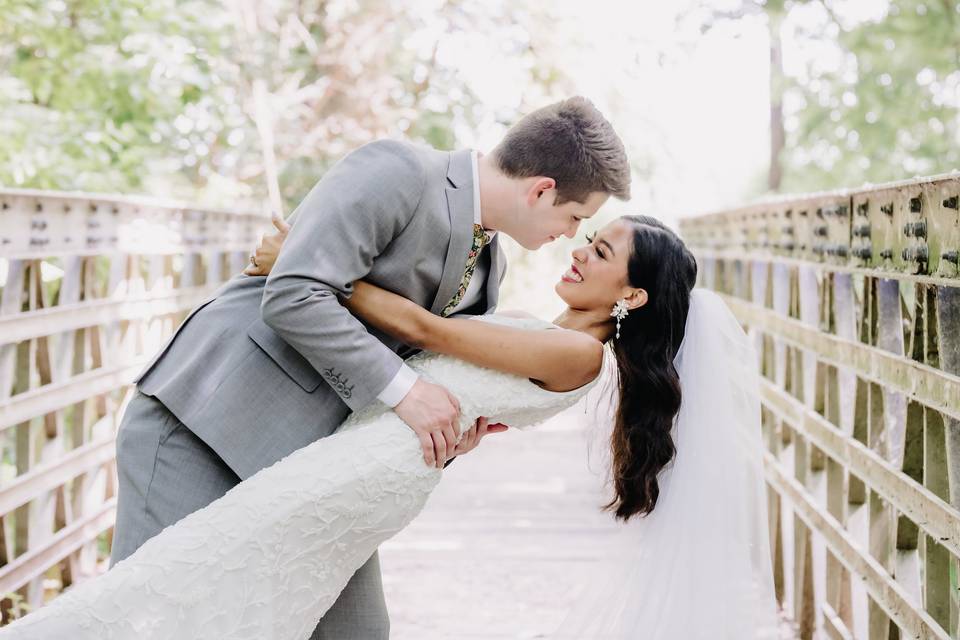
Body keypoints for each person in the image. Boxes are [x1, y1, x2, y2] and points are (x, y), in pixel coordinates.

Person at [2, 216, 780, 639]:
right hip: (375, 453)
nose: (580, 248)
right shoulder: (557, 335)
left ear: (632, 297)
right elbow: (471, 380)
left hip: (366, 471)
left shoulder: (576, 352)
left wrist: (298, 263)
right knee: (215, 579)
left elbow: (426, 331)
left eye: (601, 249)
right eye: (587, 234)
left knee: (200, 571)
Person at [106, 96, 631, 639]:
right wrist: (407, 393)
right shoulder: (398, 172)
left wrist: (454, 428)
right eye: (575, 217)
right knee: (149, 623)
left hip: (309, 472)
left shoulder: (490, 266)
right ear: (541, 189)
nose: (570, 234)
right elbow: (292, 293)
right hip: (204, 427)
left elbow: (427, 359)